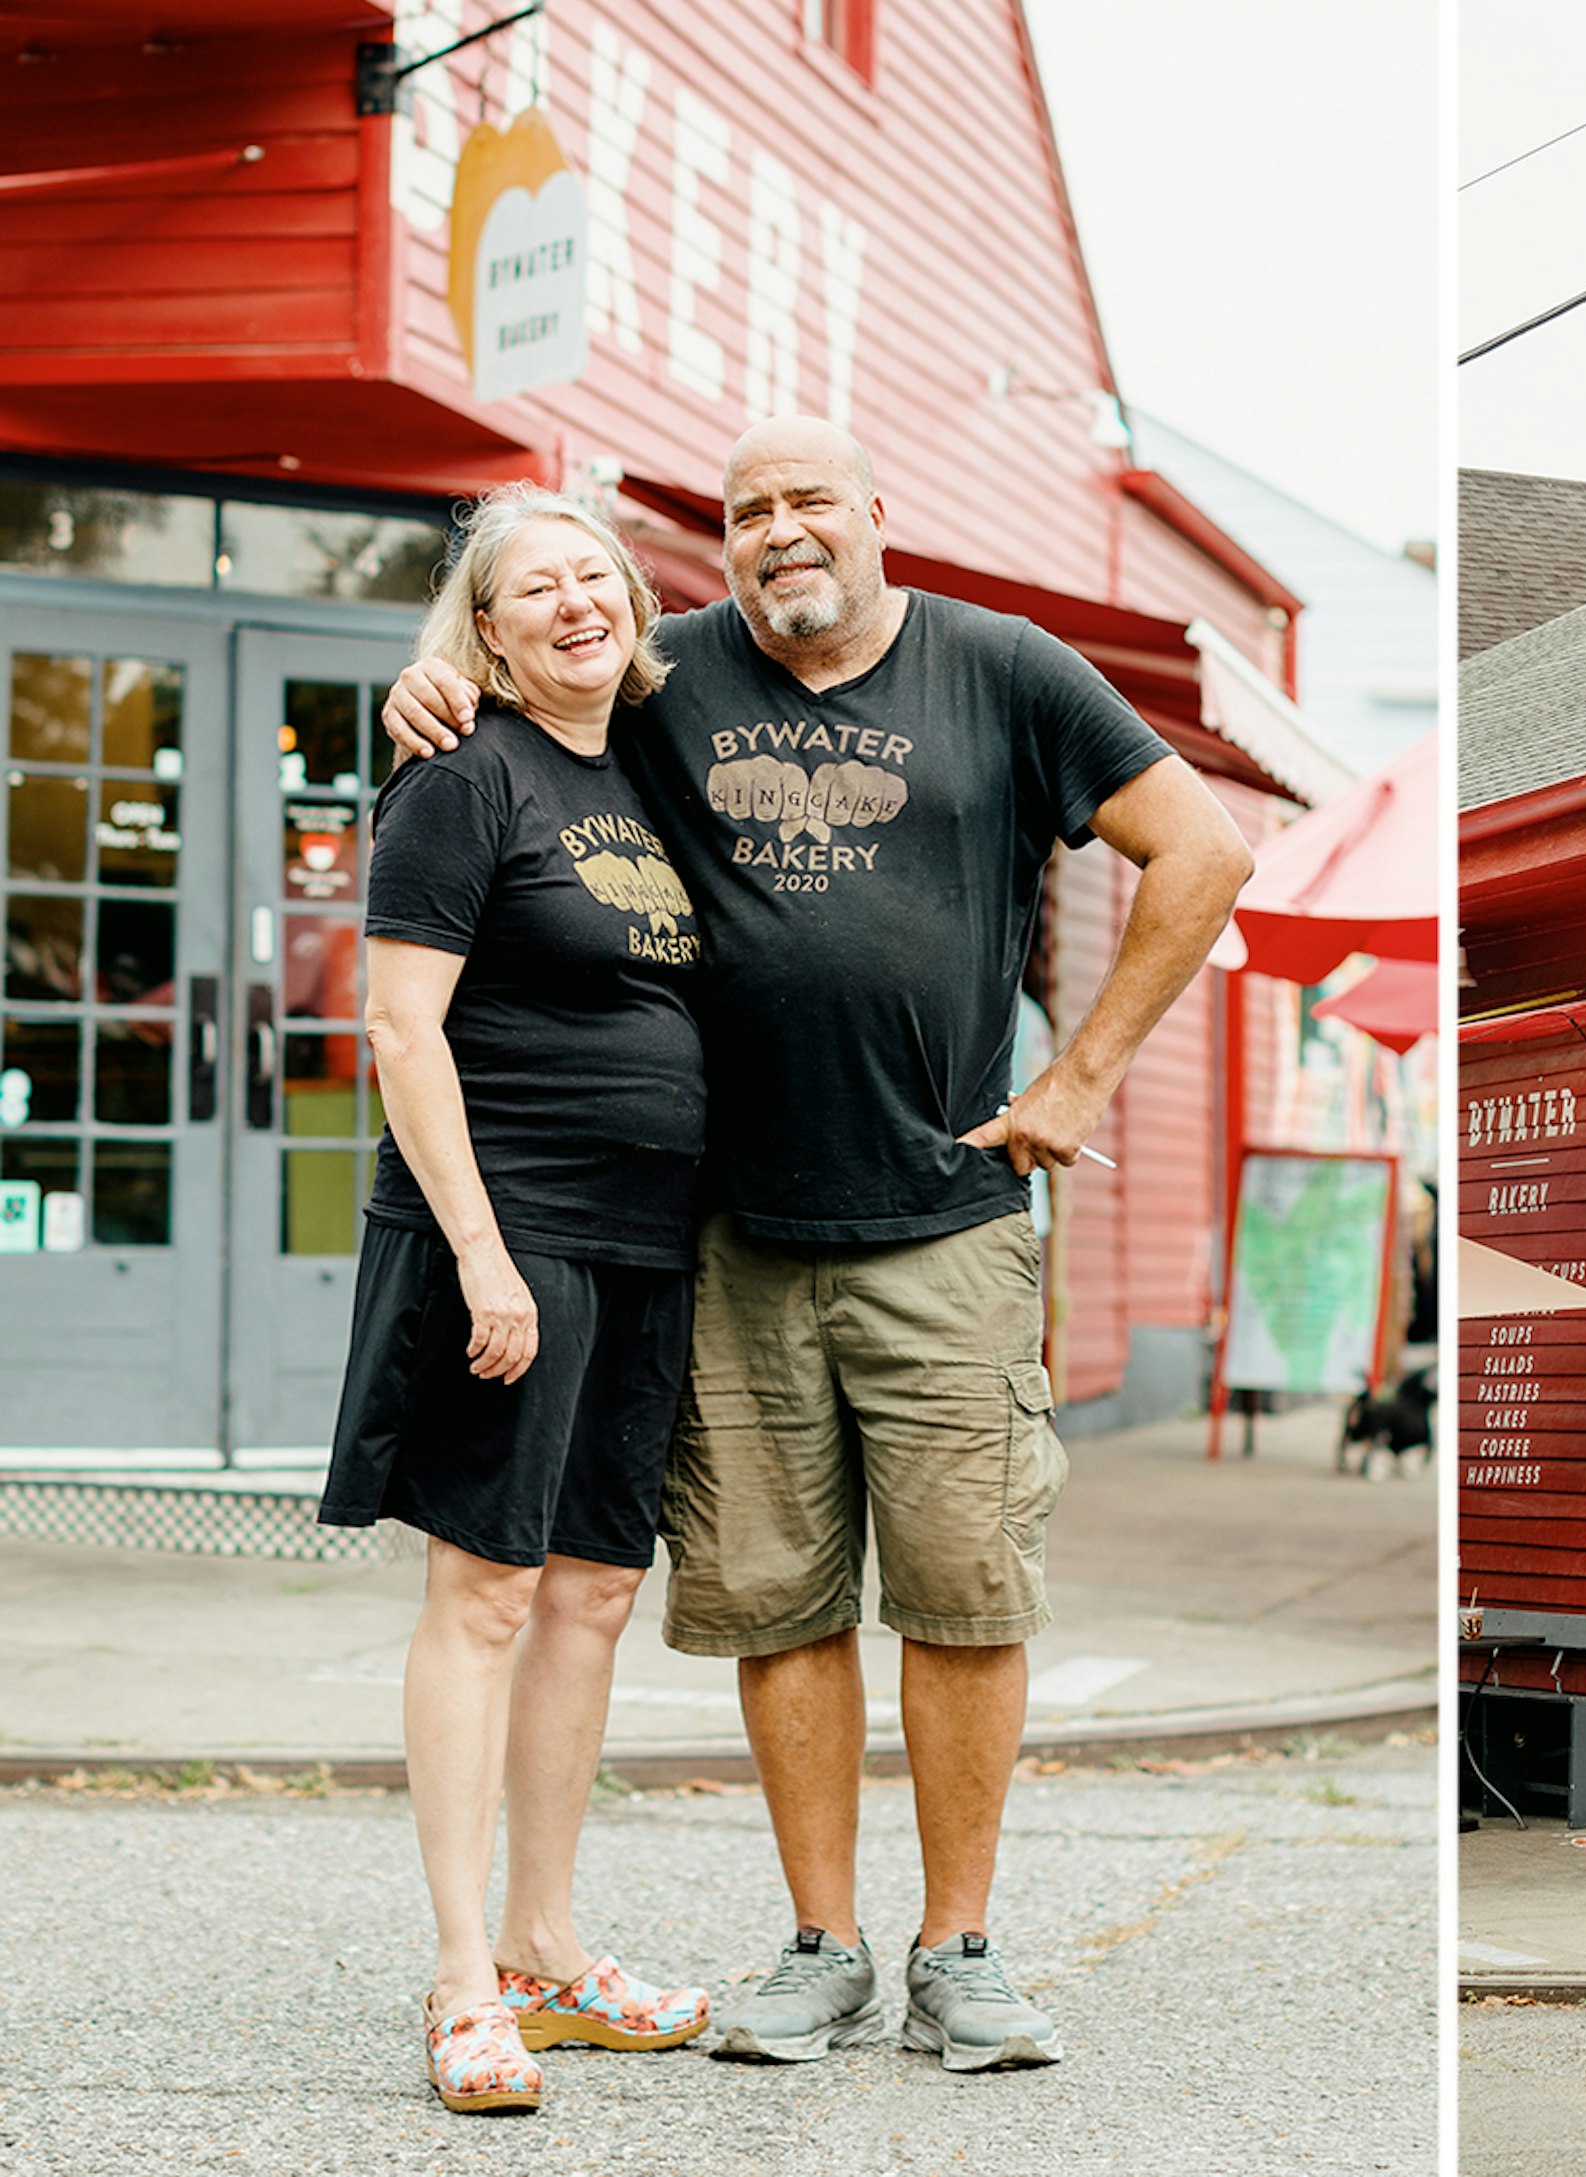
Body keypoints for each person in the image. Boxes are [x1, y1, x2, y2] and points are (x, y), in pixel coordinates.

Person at [383, 418, 1253, 2071]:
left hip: (947, 1221)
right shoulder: (667, 672)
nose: (779, 529)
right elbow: (528, 708)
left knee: (964, 1591)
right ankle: (820, 1945)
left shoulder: (1009, 671)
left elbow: (1202, 850)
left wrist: (1081, 1074)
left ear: (874, 512)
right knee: (780, 1600)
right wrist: (419, 689)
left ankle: (964, 1949)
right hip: (731, 1231)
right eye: (745, 510)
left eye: (806, 502)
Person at [321, 486, 716, 2112]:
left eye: (594, 578)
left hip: (643, 1244)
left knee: (593, 1591)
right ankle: (462, 1974)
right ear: (480, 631)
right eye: (531, 587)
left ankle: (553, 1952)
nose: (573, 603)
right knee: (481, 1593)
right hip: (514, 1230)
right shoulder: (457, 776)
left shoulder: (644, 774)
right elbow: (404, 1033)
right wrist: (482, 1255)